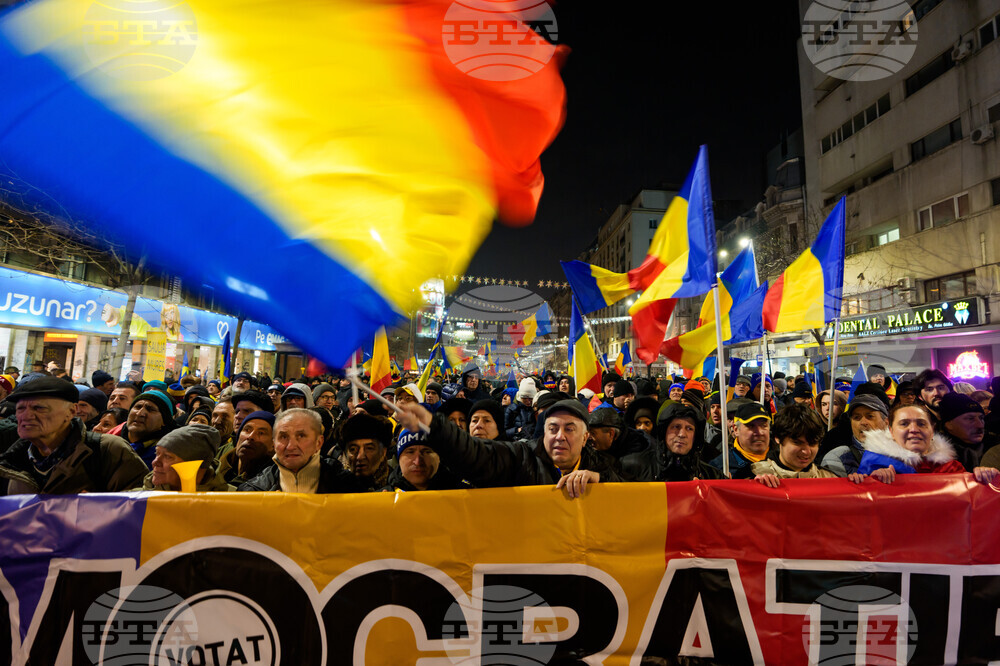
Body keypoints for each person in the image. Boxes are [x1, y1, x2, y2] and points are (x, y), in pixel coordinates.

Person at [396, 398, 624, 497]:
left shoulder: (603, 466)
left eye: (570, 429)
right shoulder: (521, 457)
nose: (559, 436)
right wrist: (435, 426)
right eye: (552, 428)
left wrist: (601, 484)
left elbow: (635, 502)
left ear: (585, 438)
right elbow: (476, 455)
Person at [0, 377, 147, 494]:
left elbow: (140, 502)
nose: (26, 416)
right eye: (20, 408)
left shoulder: (107, 450)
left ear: (71, 411)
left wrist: (103, 506)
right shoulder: (10, 461)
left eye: (39, 408)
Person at [852, 403, 997, 484]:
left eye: (921, 424)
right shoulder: (874, 466)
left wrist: (983, 479)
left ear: (932, 430)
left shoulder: (952, 469)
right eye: (904, 424)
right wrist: (871, 483)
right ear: (891, 431)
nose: (914, 429)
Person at [239, 408, 360, 493]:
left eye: (301, 436)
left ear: (319, 442)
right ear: (274, 443)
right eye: (283, 437)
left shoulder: (349, 487)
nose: (291, 446)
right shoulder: (251, 491)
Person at [622, 403, 724, 482]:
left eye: (689, 428)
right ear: (664, 432)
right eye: (676, 427)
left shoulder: (712, 476)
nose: (682, 434)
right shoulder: (632, 467)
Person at [752, 405, 838, 486]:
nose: (806, 451)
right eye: (798, 443)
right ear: (778, 438)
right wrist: (754, 487)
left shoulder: (831, 479)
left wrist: (851, 484)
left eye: (812, 444)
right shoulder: (753, 475)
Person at [139, 423, 232, 491]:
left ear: (194, 466)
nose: (155, 462)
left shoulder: (231, 504)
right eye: (157, 454)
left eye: (167, 456)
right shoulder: (131, 502)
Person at [820, 394, 888, 477]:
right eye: (856, 417)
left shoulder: (903, 455)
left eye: (870, 416)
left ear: (886, 422)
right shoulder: (837, 458)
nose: (863, 422)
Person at [383, 428, 470, 491]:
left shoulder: (465, 494)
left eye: (427, 452)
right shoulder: (383, 499)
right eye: (410, 452)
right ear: (399, 458)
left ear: (439, 457)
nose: (418, 462)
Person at [709, 402, 772, 479]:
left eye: (763, 425)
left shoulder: (782, 460)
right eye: (751, 426)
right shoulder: (720, 467)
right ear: (736, 429)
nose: (759, 432)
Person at [120, 390, 178, 469]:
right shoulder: (111, 438)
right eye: (138, 407)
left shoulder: (165, 458)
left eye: (150, 409)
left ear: (164, 421)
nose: (140, 413)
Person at [936, 392, 991, 471]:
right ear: (949, 425)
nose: (980, 425)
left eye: (981, 418)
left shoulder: (995, 447)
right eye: (970, 419)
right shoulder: (936, 457)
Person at [218, 410, 275, 485]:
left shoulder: (273, 481)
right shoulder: (215, 468)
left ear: (273, 444)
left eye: (261, 433)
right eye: (247, 430)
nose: (250, 436)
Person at [339, 411, 392, 490]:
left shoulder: (398, 488)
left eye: (369, 448)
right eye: (353, 449)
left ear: (383, 452)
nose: (360, 457)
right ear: (345, 454)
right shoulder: (335, 487)